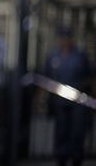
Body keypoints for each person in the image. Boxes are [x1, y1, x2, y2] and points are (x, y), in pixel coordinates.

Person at [44, 26, 91, 166]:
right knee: (61, 132)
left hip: (78, 101)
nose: (64, 41)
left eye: (66, 37)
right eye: (61, 38)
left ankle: (76, 158)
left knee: (77, 132)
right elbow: (46, 79)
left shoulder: (80, 55)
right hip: (59, 102)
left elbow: (90, 76)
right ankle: (61, 158)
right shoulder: (53, 56)